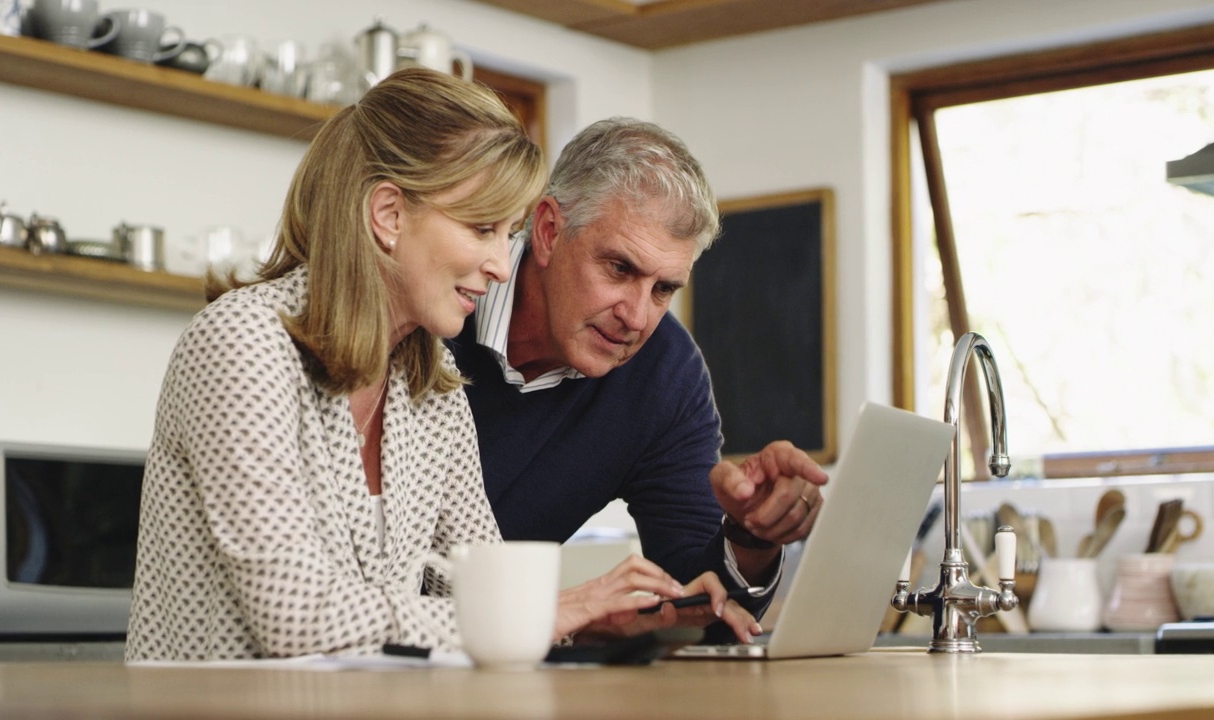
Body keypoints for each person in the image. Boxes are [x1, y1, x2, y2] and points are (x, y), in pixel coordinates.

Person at [125, 70, 758, 662]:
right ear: (390, 216)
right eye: (483, 228)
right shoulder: (243, 342)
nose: (503, 264)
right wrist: (554, 613)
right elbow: (295, 618)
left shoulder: (432, 384)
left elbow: (479, 591)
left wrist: (583, 617)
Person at [449, 118, 829, 628]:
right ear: (547, 231)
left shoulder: (665, 375)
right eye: (620, 269)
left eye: (664, 289)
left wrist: (752, 533)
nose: (637, 316)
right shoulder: (437, 309)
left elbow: (699, 598)